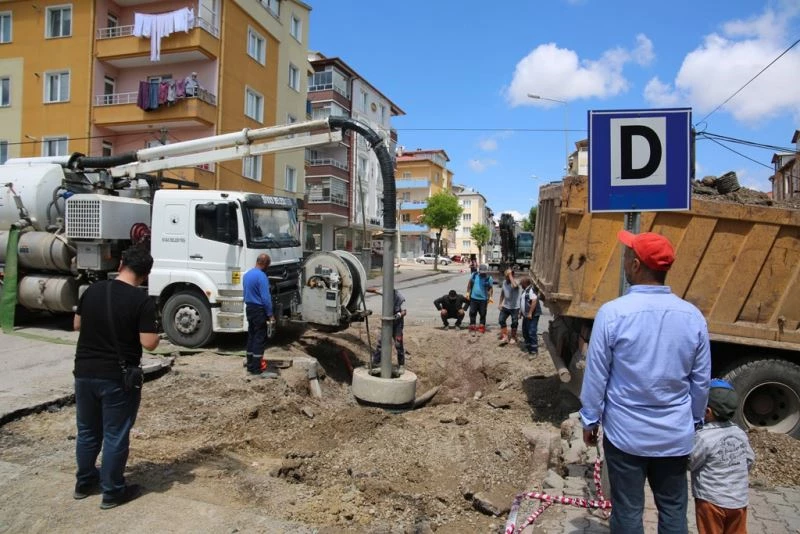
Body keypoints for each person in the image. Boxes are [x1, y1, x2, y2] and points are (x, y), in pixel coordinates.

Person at [580, 230, 711, 534]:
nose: (623, 259)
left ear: (636, 265)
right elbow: (700, 381)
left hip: (626, 436)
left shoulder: (613, 314)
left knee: (627, 511)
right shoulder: (692, 317)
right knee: (674, 511)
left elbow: (597, 373)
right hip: (675, 437)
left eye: (627, 254)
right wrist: (692, 422)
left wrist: (590, 420)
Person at [73, 246, 159, 509]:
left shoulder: (93, 290)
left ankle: (85, 482)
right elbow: (150, 343)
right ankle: (112, 491)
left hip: (84, 372)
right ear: (146, 275)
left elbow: (77, 325)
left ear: (121, 263)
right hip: (116, 378)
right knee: (115, 434)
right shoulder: (142, 301)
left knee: (87, 431)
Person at [690, 379, 755, 534]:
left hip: (711, 501)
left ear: (707, 412)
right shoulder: (739, 433)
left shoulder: (703, 437)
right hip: (739, 501)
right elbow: (750, 459)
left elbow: (691, 462)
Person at [243, 253, 277, 378]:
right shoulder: (262, 277)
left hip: (249, 308)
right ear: (265, 264)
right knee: (259, 338)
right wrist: (270, 314)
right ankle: (257, 369)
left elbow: (245, 292)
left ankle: (250, 364)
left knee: (251, 336)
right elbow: (266, 298)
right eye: (268, 264)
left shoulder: (247, 275)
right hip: (259, 310)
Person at [372, 289, 407, 372]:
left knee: (398, 344)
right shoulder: (386, 291)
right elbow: (374, 290)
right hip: (387, 322)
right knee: (381, 343)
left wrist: (399, 314)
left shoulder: (400, 297)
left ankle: (401, 365)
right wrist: (362, 288)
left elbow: (405, 311)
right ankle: (376, 362)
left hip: (397, 323)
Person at [467, 264, 493, 333]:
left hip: (483, 299)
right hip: (473, 298)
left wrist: (490, 297)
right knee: (472, 312)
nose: (483, 274)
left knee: (483, 313)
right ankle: (472, 326)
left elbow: (490, 288)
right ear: (479, 271)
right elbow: (469, 283)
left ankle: (481, 327)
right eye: (481, 272)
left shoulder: (489, 278)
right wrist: (467, 292)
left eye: (484, 272)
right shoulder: (474, 275)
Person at [497, 268, 521, 345]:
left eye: (507, 275)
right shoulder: (504, 282)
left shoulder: (516, 281)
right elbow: (502, 293)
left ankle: (513, 337)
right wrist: (500, 303)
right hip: (506, 306)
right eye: (505, 275)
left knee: (514, 322)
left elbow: (514, 286)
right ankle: (505, 336)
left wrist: (510, 275)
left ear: (512, 275)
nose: (506, 277)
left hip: (515, 307)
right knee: (501, 320)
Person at [520, 277, 542, 355]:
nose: (520, 285)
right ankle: (528, 346)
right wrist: (521, 312)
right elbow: (523, 301)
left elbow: (534, 301)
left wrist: (530, 313)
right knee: (525, 331)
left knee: (531, 331)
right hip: (526, 315)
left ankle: (533, 350)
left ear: (525, 283)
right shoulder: (525, 291)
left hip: (532, 315)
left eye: (521, 283)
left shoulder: (531, 290)